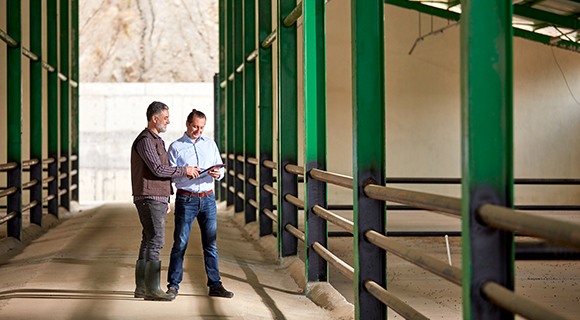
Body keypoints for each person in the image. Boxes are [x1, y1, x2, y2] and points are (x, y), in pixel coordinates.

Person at [131, 101, 200, 301]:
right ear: (155, 118)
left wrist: (166, 196)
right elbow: (158, 169)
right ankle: (152, 290)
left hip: (156, 196)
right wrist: (184, 170)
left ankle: (142, 287)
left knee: (148, 239)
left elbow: (160, 171)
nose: (168, 121)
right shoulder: (146, 141)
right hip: (149, 196)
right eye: (165, 117)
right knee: (156, 241)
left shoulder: (157, 140)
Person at [166, 109, 233, 298]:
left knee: (210, 244)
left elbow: (221, 170)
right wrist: (184, 171)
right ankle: (173, 285)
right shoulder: (176, 147)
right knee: (180, 242)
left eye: (201, 127)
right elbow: (168, 174)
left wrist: (217, 173)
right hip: (186, 199)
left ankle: (215, 285)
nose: (198, 130)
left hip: (208, 199)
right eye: (195, 126)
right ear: (187, 124)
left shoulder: (210, 145)